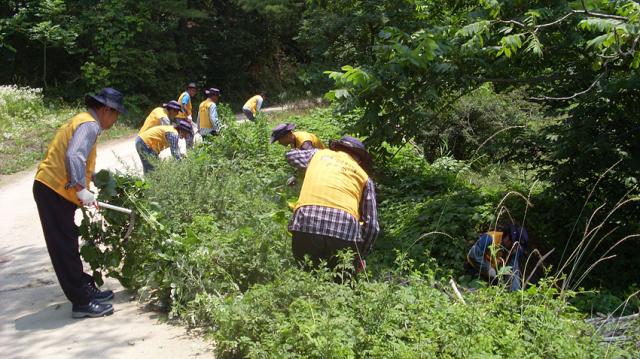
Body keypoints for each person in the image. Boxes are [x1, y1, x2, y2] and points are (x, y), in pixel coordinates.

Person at [33, 87, 126, 318]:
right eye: (116, 115)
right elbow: (74, 156)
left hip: (56, 191)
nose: (116, 120)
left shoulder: (84, 122)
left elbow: (79, 159)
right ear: (106, 110)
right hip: (52, 190)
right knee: (63, 247)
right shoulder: (90, 125)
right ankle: (81, 302)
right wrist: (81, 189)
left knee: (69, 241)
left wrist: (92, 179)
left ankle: (83, 286)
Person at [285, 136, 379, 278]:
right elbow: (372, 226)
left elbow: (290, 156)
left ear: (335, 148)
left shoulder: (318, 154)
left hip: (305, 222)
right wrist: (360, 255)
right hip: (345, 229)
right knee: (341, 282)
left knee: (307, 277)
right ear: (359, 159)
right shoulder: (364, 177)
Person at [467, 224, 529, 291]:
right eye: (513, 244)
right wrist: (487, 268)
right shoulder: (490, 238)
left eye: (517, 246)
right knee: (474, 290)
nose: (514, 248)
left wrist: (514, 291)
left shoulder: (514, 250)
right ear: (507, 237)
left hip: (495, 275)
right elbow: (473, 255)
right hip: (476, 269)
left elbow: (512, 270)